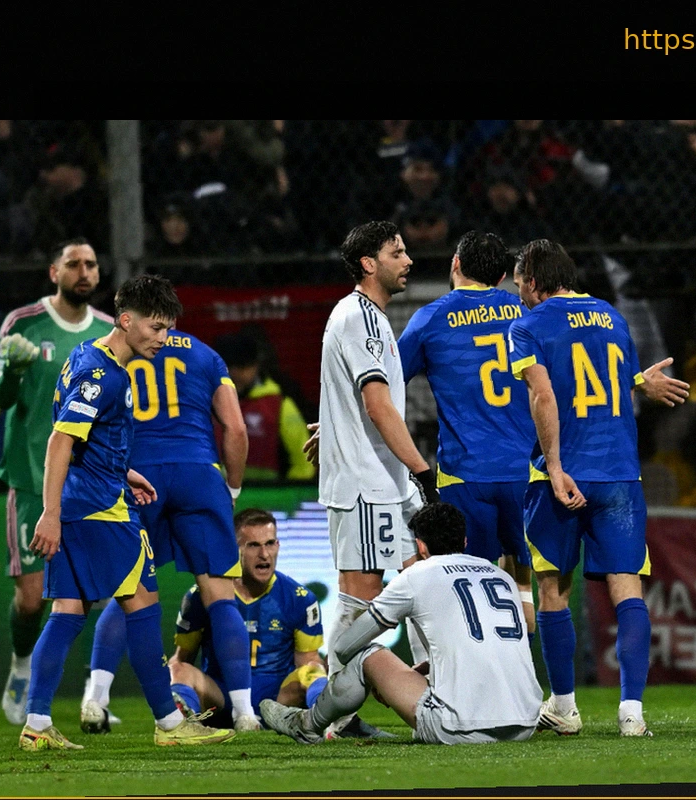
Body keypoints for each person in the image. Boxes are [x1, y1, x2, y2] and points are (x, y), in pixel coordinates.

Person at [21, 275, 233, 750]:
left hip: (82, 501)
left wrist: (124, 471)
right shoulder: (105, 375)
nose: (163, 338)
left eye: (168, 328)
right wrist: (49, 513)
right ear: (125, 320)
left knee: (67, 614)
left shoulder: (87, 355)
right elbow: (61, 440)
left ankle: (36, 724)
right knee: (142, 609)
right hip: (102, 511)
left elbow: (86, 441)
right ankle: (171, 725)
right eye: (156, 328)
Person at [508, 239, 690, 737]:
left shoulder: (527, 326)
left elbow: (545, 396)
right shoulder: (611, 317)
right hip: (619, 473)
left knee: (552, 588)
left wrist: (555, 465)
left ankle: (565, 708)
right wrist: (641, 382)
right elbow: (604, 380)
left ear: (535, 281)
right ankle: (632, 714)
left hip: (562, 473)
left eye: (520, 283)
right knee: (627, 588)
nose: (519, 293)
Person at [77, 323, 258, 733]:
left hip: (139, 475)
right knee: (221, 597)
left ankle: (96, 698)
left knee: (129, 591)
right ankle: (245, 713)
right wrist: (232, 487)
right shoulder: (206, 354)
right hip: (198, 474)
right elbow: (236, 428)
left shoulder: (121, 351)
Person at [259, 503, 543, 745]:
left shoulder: (418, 574)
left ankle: (307, 724)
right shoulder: (499, 576)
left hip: (458, 729)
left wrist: (379, 677)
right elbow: (483, 642)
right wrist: (423, 668)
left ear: (420, 546)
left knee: (366, 655)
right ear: (465, 541)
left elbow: (345, 647)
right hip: (524, 724)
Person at [317, 221, 438, 733]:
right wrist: (422, 468)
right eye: (397, 252)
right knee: (360, 599)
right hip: (366, 484)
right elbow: (377, 403)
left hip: (386, 481)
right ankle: (336, 716)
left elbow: (357, 402)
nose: (408, 260)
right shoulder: (360, 318)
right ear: (369, 264)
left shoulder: (371, 318)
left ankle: (437, 692)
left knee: (422, 577)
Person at [0, 238, 114, 726]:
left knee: (92, 592)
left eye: (91, 264)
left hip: (88, 481)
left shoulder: (107, 330)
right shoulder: (22, 324)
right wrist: (13, 372)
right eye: (74, 264)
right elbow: (0, 398)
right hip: (31, 476)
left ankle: (90, 694)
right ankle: (21, 666)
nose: (84, 272)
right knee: (30, 597)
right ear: (54, 272)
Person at [395, 231, 539, 636]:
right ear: (502, 276)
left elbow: (384, 384)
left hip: (465, 474)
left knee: (470, 588)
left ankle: (474, 672)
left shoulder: (431, 317)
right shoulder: (525, 312)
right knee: (523, 586)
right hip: (525, 471)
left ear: (455, 263)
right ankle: (524, 669)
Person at [167, 508, 391, 739]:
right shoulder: (201, 597)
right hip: (221, 700)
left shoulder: (299, 598)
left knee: (312, 670)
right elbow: (183, 658)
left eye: (270, 543)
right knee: (177, 668)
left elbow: (307, 660)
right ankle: (179, 726)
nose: (264, 554)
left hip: (278, 701)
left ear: (278, 545)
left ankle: (328, 723)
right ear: (234, 549)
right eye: (253, 545)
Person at [213, 329, 316, 482]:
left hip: (266, 493)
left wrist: (290, 492)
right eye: (229, 368)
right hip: (215, 491)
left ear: (256, 366)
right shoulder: (204, 401)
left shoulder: (279, 404)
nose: (235, 373)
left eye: (242, 367)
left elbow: (303, 460)